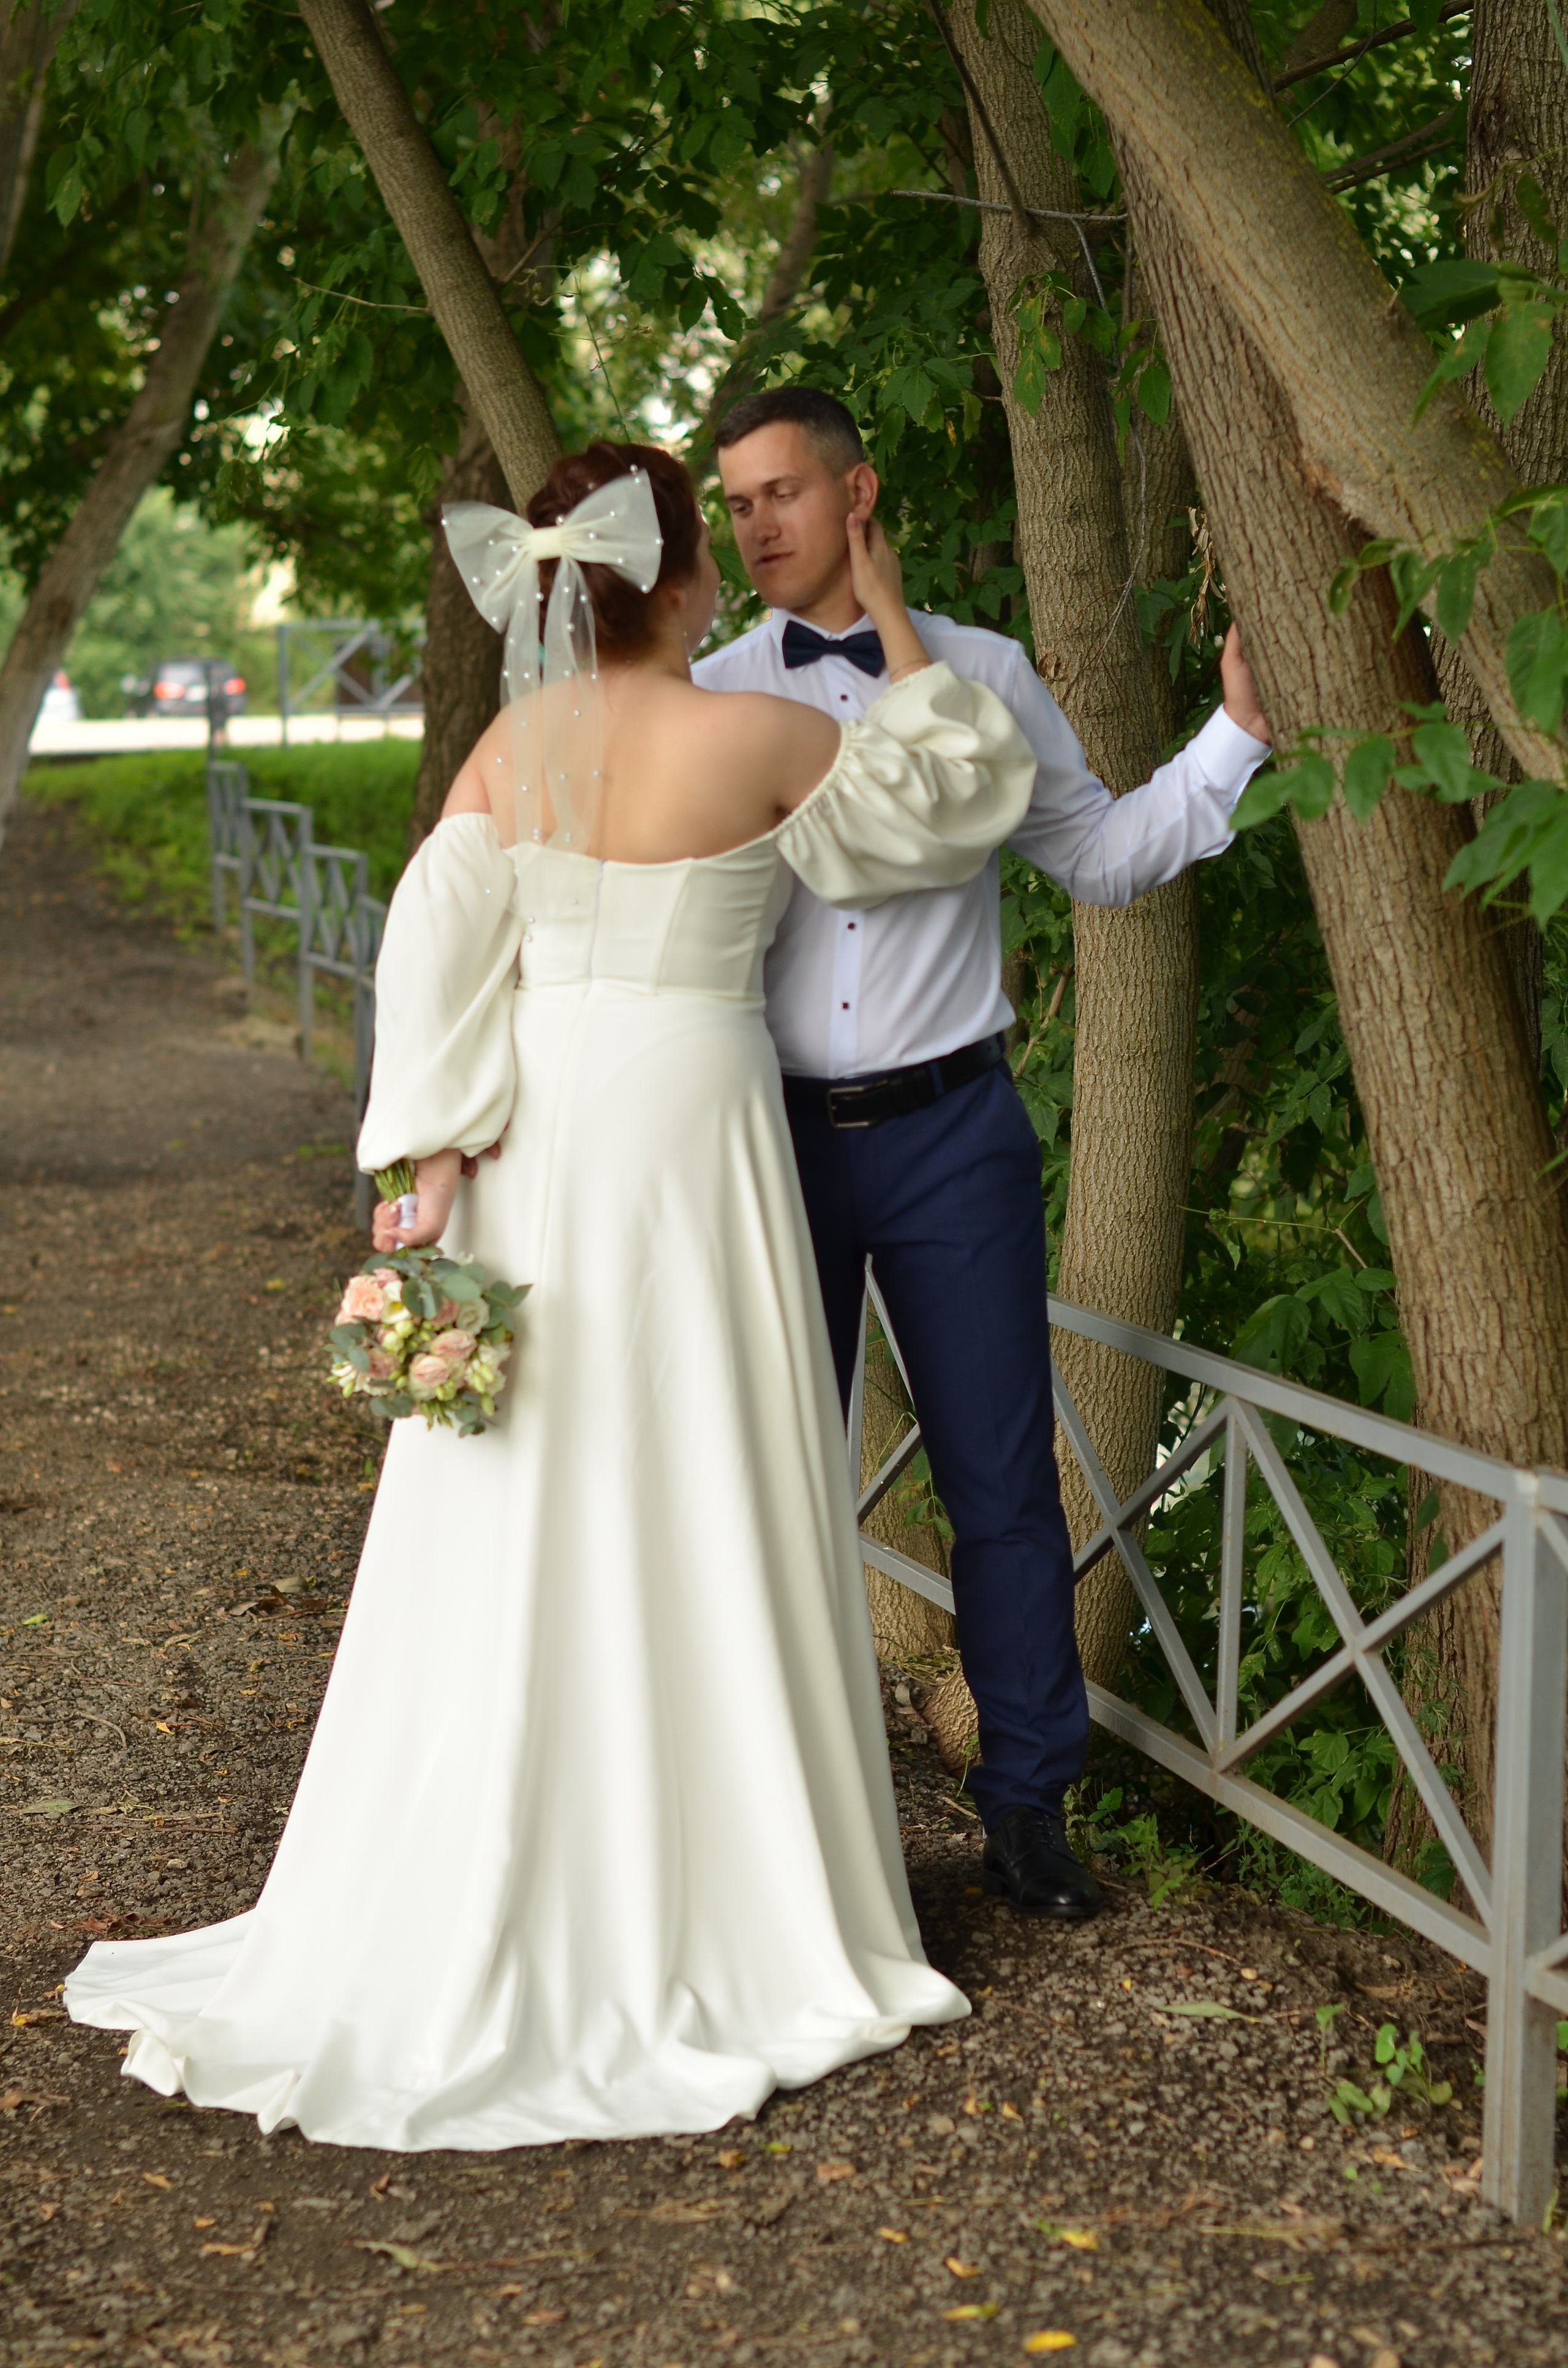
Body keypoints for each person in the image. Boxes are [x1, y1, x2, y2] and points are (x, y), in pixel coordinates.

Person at [62, 442, 1044, 2152]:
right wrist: (884, 606)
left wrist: (426, 1164)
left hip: (542, 1148)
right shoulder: (760, 739)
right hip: (698, 1138)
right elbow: (959, 796)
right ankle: (735, 1893)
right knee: (704, 1473)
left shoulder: (513, 749)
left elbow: (437, 944)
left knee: (528, 1487)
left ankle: (494, 1862)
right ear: (685, 586)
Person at [695, 387, 1273, 1923]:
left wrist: (1237, 736)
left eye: (779, 494)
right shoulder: (711, 693)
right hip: (766, 1138)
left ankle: (1025, 1804)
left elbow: (1096, 856)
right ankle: (761, 1820)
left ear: (855, 489)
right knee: (757, 1467)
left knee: (1002, 1483)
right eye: (732, 503)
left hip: (953, 1129)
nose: (753, 526)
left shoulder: (988, 673)